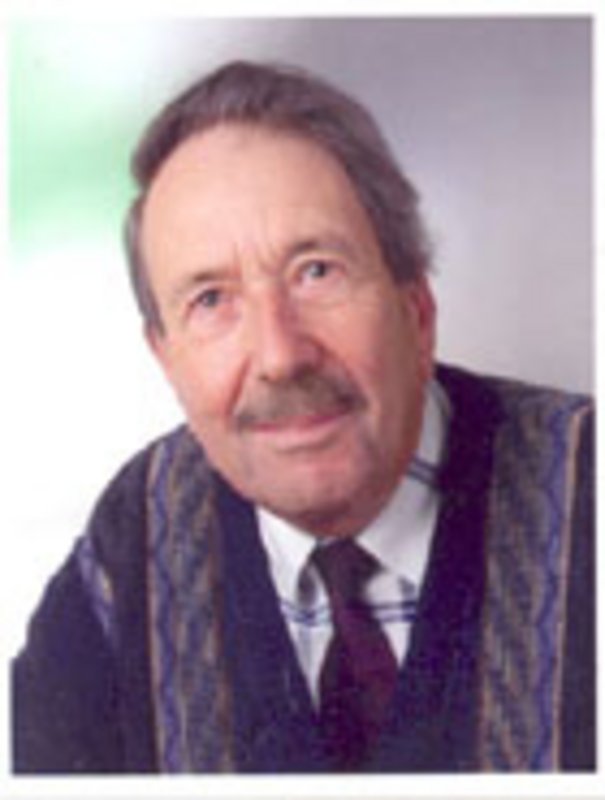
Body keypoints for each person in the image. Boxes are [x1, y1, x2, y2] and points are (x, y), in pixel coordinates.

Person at [12, 60, 594, 774]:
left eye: (316, 271)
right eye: (211, 300)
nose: (280, 356)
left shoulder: (583, 492)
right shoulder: (137, 539)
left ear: (416, 310)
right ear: (166, 359)